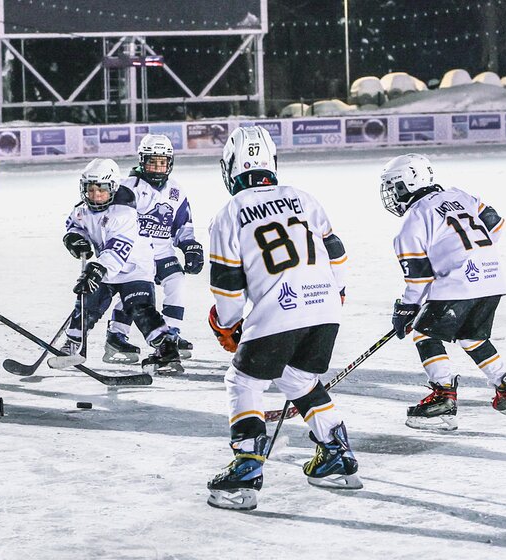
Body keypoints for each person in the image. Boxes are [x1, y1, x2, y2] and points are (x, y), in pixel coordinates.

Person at [206, 126, 360, 511]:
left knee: (242, 380)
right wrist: (332, 294)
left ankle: (246, 468)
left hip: (280, 309)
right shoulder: (303, 199)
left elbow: (226, 286)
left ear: (230, 168)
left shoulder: (229, 213)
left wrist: (227, 325)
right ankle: (335, 454)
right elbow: (337, 255)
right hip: (325, 307)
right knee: (298, 378)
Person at [381, 153, 506, 431]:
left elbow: (419, 279)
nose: (392, 194)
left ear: (406, 184)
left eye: (393, 186)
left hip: (460, 282)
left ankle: (443, 397)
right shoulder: (460, 195)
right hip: (492, 277)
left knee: (423, 332)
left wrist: (405, 309)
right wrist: (471, 252)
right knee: (472, 336)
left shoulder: (413, 219)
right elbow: (496, 224)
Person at [53, 158, 183, 375]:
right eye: (90, 189)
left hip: (134, 268)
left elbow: (117, 251)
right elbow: (75, 225)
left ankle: (167, 351)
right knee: (87, 304)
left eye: (101, 190)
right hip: (104, 267)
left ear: (112, 188)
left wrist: (95, 270)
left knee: (141, 309)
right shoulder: (82, 209)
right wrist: (75, 238)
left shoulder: (123, 213)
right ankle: (73, 343)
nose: (95, 196)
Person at [103, 134, 204, 365]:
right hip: (135, 252)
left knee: (176, 280)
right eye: (152, 161)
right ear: (141, 160)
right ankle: (117, 334)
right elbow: (113, 220)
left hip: (161, 252)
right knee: (136, 293)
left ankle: (171, 334)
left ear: (170, 162)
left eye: (162, 162)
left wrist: (190, 246)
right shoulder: (127, 188)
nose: (158, 167)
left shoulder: (176, 191)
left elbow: (182, 225)